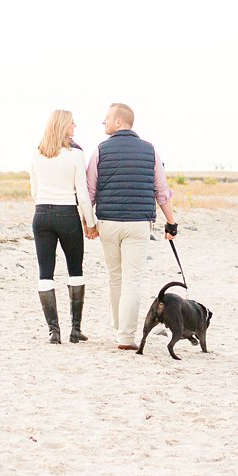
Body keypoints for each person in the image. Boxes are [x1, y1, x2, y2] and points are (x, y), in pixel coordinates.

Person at [85, 103, 177, 351]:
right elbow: (162, 191)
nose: (103, 122)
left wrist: (88, 222)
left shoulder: (100, 151)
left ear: (118, 122)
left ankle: (120, 330)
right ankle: (125, 337)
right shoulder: (150, 151)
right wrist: (171, 222)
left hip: (108, 222)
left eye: (106, 118)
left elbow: (90, 191)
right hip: (138, 223)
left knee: (115, 277)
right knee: (132, 280)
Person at [28, 109, 98, 345]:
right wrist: (90, 222)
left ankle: (53, 331)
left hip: (41, 214)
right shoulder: (75, 155)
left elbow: (34, 192)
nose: (75, 125)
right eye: (72, 122)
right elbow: (83, 194)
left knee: (45, 273)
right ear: (63, 126)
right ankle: (75, 330)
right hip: (67, 213)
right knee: (75, 270)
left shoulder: (37, 154)